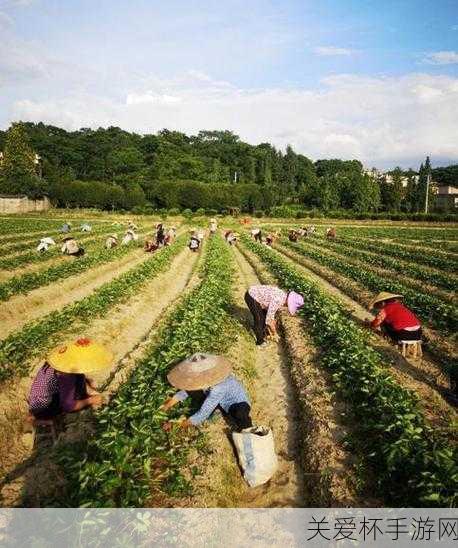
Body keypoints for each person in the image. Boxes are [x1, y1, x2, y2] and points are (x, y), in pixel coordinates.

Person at [162, 353, 252, 432]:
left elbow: (203, 414)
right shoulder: (208, 377)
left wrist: (176, 425)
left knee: (240, 416)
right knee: (194, 390)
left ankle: (249, 431)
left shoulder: (218, 388)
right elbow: (187, 390)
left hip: (237, 403)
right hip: (219, 398)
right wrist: (167, 406)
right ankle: (217, 410)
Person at [27, 338, 112, 421]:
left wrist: (92, 392)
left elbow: (79, 376)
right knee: (78, 399)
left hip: (37, 399)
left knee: (80, 376)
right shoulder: (66, 375)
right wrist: (90, 400)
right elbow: (69, 406)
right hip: (43, 409)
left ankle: (85, 395)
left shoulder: (60, 361)